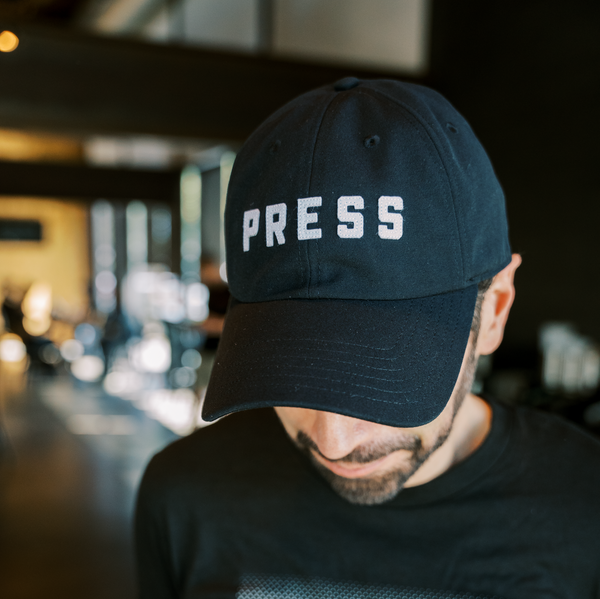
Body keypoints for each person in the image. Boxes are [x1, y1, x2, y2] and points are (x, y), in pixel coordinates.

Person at [135, 78, 600, 598]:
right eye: (289, 366)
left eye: (384, 373)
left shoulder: (587, 507)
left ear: (494, 310)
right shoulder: (183, 494)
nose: (333, 441)